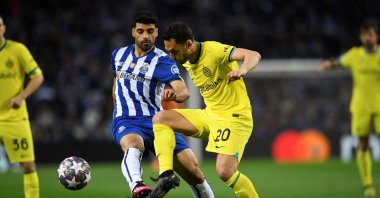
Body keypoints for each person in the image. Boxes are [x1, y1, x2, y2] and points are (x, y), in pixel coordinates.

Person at [150, 21, 261, 198]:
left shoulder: (214, 51)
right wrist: (175, 95)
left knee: (225, 172)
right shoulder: (186, 60)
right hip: (210, 115)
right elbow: (184, 93)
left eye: (175, 51)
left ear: (188, 44)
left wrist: (243, 70)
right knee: (161, 119)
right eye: (169, 51)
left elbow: (253, 54)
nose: (171, 56)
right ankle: (166, 174)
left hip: (234, 117)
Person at [110, 11, 214, 198]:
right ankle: (138, 186)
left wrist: (175, 94)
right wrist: (118, 106)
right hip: (127, 119)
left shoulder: (163, 61)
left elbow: (184, 91)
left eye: (150, 31)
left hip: (158, 124)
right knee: (134, 145)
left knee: (195, 174)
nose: (145, 36)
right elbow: (116, 81)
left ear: (156, 33)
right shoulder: (118, 55)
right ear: (133, 32)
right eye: (140, 31)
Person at [320, 19, 379, 198]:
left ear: (376, 36)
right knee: (363, 145)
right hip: (360, 106)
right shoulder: (355, 54)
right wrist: (327, 65)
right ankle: (368, 185)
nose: (367, 38)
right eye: (364, 35)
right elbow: (339, 62)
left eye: (370, 34)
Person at [0, 15, 43, 198]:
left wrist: (21, 96)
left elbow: (37, 76)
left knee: (28, 165)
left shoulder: (17, 50)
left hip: (14, 117)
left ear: (4, 27)